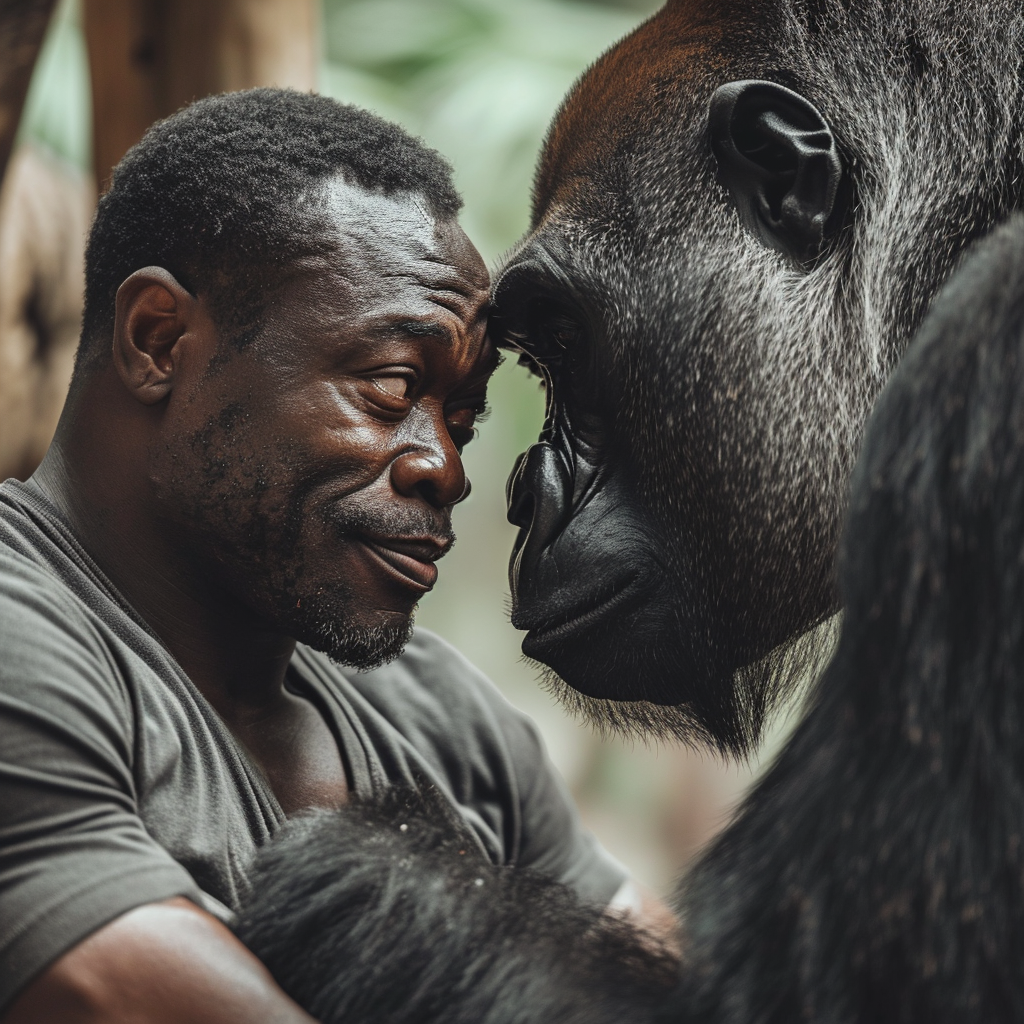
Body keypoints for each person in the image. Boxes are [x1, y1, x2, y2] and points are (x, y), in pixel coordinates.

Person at [0, 89, 669, 1024]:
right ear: (159, 341)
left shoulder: (446, 718)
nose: (447, 469)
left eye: (464, 418)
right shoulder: (20, 631)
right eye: (392, 388)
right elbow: (101, 982)